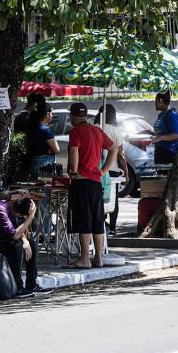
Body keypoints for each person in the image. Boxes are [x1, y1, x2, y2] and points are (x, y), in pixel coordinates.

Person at [65, 102, 118, 269]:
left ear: (73, 116)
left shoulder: (76, 132)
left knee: (84, 219)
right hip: (96, 182)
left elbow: (74, 151)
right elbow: (114, 148)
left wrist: (73, 171)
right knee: (97, 220)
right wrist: (103, 170)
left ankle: (85, 258)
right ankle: (99, 258)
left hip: (81, 181)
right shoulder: (97, 130)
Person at [0, 196, 53, 297]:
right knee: (16, 245)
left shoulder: (10, 207)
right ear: (16, 213)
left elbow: (17, 229)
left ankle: (32, 284)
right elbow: (15, 234)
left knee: (31, 244)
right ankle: (18, 287)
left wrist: (26, 241)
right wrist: (31, 216)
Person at [94, 104, 128, 236]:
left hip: (96, 169)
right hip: (112, 170)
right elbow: (121, 154)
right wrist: (126, 172)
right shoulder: (115, 131)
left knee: (98, 198)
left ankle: (100, 224)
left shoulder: (95, 128)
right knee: (113, 199)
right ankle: (113, 228)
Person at [26, 103, 60, 178]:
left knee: (37, 189)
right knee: (45, 188)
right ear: (47, 114)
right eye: (52, 113)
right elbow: (57, 150)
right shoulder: (46, 130)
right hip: (44, 166)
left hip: (34, 163)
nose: (52, 115)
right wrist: (48, 151)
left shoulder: (32, 128)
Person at [153, 91, 178, 164]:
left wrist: (160, 138)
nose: (154, 103)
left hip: (168, 153)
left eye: (155, 101)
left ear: (161, 101)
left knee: (165, 175)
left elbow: (175, 135)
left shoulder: (172, 115)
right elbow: (161, 132)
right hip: (160, 151)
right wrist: (149, 133)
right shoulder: (161, 115)